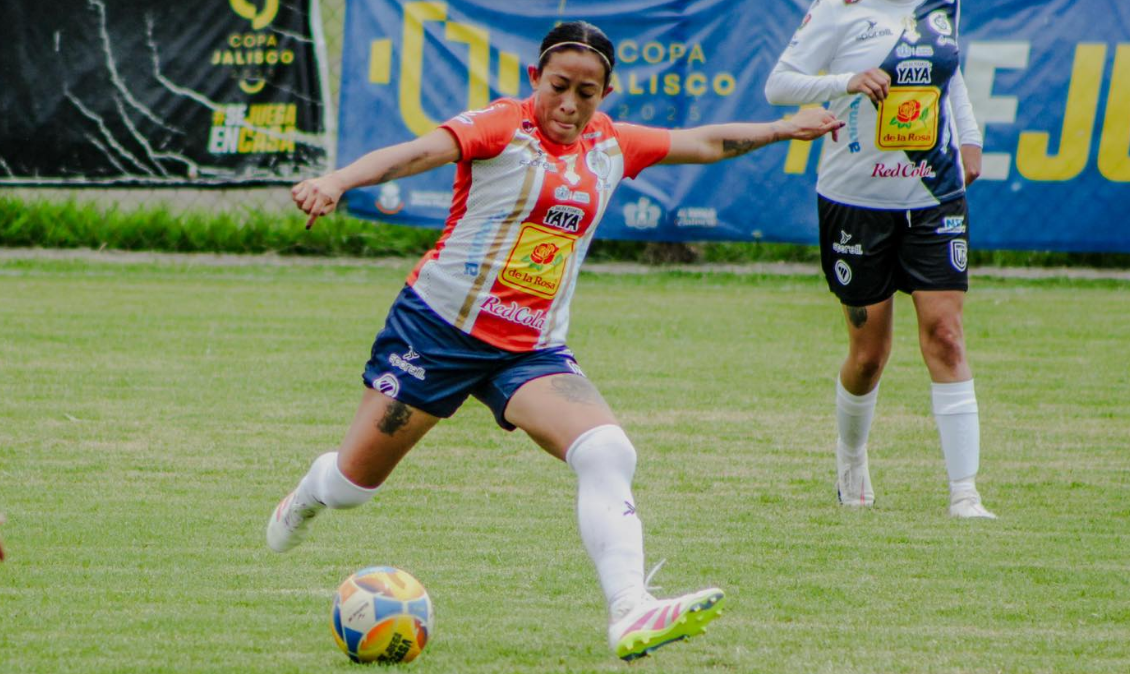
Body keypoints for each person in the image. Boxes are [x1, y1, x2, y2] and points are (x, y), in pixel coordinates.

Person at [269, 20, 843, 661]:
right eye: (559, 86)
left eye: (587, 93)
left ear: (606, 94)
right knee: (352, 487)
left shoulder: (610, 145)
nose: (569, 104)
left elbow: (704, 143)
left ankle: (630, 610)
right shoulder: (501, 127)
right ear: (535, 78)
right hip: (435, 331)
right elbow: (416, 153)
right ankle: (311, 493)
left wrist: (782, 129)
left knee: (607, 451)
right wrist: (338, 182)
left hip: (530, 349)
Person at [765, 0, 994, 518]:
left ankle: (965, 493)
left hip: (934, 194)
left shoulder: (943, 5)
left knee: (946, 336)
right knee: (869, 356)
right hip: (855, 202)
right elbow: (778, 85)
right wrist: (846, 81)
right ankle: (851, 458)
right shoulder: (837, 9)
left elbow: (948, 69)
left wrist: (970, 137)